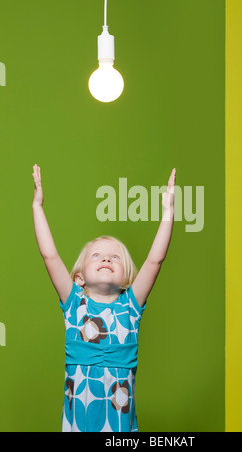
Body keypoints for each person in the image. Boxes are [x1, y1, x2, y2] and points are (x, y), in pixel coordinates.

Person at [32, 164, 176, 432]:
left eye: (115, 257)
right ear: (79, 279)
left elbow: (155, 260)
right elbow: (50, 256)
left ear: (126, 280)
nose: (107, 258)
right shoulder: (75, 305)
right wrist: (37, 207)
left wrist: (168, 213)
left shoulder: (130, 307)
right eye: (96, 256)